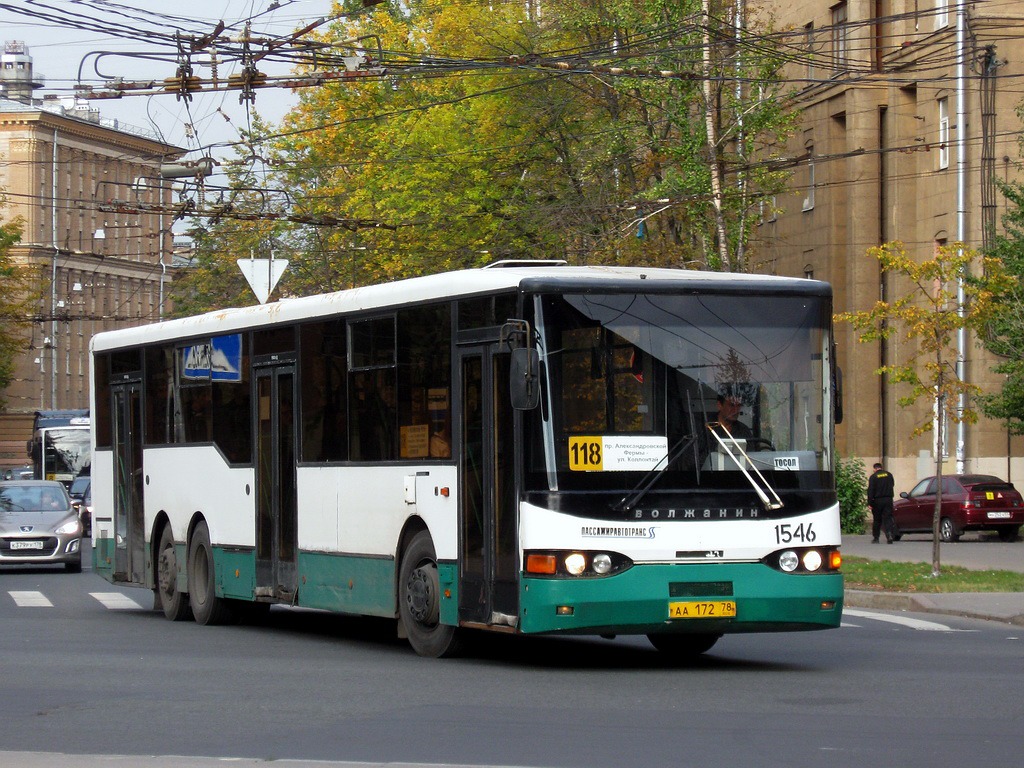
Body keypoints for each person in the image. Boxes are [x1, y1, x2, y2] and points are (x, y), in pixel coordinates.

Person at [867, 462, 896, 544]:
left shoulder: (873, 477)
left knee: (877, 519)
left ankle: (876, 538)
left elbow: (871, 490)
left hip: (877, 500)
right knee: (888, 518)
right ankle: (889, 535)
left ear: (875, 469)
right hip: (888, 499)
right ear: (881, 467)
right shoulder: (889, 475)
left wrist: (869, 503)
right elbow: (892, 484)